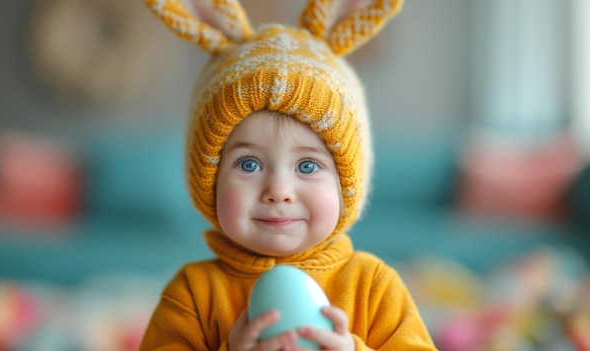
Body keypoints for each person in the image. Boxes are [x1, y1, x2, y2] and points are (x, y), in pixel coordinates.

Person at [140, 0, 438, 350]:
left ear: (346, 186)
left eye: (307, 166)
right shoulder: (192, 294)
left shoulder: (373, 286)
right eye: (248, 164)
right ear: (209, 182)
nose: (279, 191)